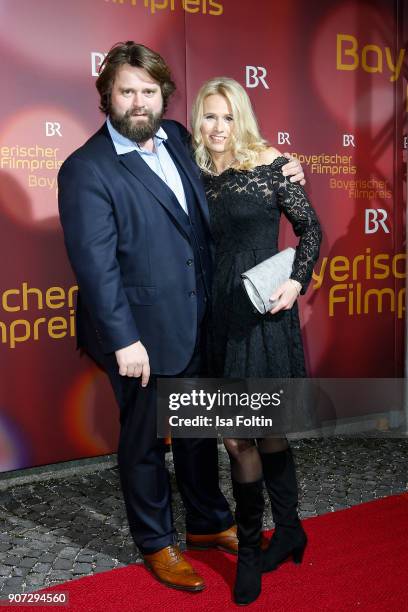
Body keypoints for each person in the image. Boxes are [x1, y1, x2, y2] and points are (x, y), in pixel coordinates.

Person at [58, 41, 305, 593]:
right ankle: (156, 542)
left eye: (150, 92)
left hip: (200, 319)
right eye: (128, 91)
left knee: (197, 429)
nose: (140, 102)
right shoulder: (86, 169)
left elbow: (233, 163)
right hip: (140, 335)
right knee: (145, 439)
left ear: (164, 97)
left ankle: (209, 524)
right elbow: (95, 269)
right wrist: (124, 340)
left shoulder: (175, 137)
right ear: (107, 96)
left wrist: (283, 164)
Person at [191, 77, 322, 605]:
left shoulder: (271, 163)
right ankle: (272, 536)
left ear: (240, 117)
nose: (218, 127)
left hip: (263, 309)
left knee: (256, 432)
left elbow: (310, 229)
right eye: (209, 116)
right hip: (216, 312)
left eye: (227, 117)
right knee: (240, 435)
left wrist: (296, 282)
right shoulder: (193, 170)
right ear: (197, 120)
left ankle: (273, 538)